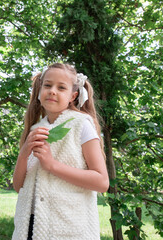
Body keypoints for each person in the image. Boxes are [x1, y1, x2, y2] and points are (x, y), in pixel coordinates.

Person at [12, 63, 109, 240]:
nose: (52, 91)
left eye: (61, 87)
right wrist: (24, 152)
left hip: (67, 229)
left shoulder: (81, 124)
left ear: (73, 96)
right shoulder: (36, 129)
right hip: (29, 228)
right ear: (39, 90)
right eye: (47, 85)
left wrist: (52, 165)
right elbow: (19, 186)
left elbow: (102, 182)